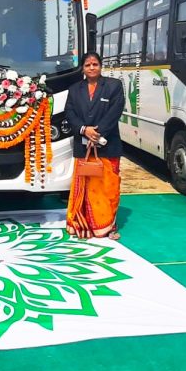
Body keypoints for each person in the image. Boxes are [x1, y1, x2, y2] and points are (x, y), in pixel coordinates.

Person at [64, 52, 125, 239]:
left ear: (101, 66)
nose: (92, 67)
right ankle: (83, 224)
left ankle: (107, 226)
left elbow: (116, 111)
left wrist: (97, 133)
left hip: (108, 145)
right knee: (84, 186)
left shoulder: (114, 86)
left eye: (95, 64)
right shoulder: (74, 89)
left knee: (108, 186)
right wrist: (83, 130)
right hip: (83, 147)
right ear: (82, 68)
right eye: (88, 64)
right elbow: (70, 112)